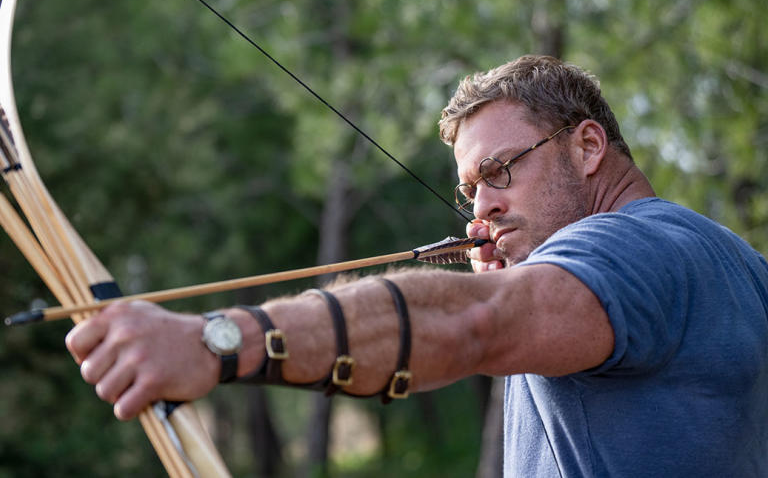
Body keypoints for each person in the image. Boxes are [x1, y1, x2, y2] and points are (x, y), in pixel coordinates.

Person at [66, 55, 768, 476]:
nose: (479, 211)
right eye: (470, 191)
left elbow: (475, 322)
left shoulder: (633, 247)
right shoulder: (734, 265)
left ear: (587, 146)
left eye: (500, 172)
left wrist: (215, 341)